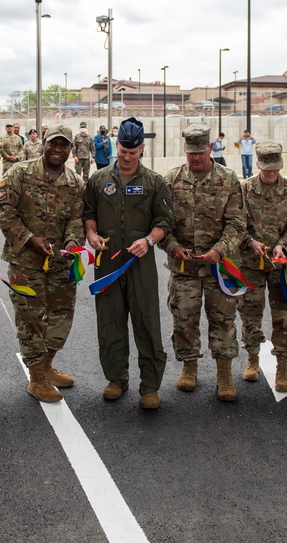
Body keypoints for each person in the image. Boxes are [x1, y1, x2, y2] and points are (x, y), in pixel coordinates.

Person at [83, 117, 174, 410]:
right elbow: (88, 213)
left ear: (141, 150)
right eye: (122, 150)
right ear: (116, 145)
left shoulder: (154, 182)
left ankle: (149, 386)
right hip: (107, 261)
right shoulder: (98, 179)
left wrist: (148, 240)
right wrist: (91, 234)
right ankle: (116, 379)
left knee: (146, 321)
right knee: (110, 321)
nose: (126, 157)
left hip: (140, 262)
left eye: (132, 153)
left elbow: (164, 221)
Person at [0, 123, 84, 403]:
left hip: (60, 262)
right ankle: (36, 378)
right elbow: (4, 210)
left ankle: (46, 365)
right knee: (30, 318)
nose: (58, 150)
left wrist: (72, 240)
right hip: (25, 260)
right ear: (43, 143)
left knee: (61, 315)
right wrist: (29, 238)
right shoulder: (19, 173)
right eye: (53, 144)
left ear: (70, 149)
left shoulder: (75, 183)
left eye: (64, 145)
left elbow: (77, 218)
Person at [162, 123, 246, 400]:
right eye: (190, 153)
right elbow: (161, 224)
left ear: (210, 148)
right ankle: (189, 366)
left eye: (200, 152)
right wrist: (172, 246)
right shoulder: (171, 180)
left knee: (223, 320)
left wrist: (220, 250)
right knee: (183, 317)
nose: (195, 158)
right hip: (184, 268)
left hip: (218, 267)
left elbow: (237, 223)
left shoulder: (229, 179)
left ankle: (224, 373)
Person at [236, 140, 287, 393]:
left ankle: (282, 368)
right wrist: (249, 241)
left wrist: (283, 246)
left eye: (275, 169)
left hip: (281, 264)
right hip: (251, 263)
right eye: (266, 170)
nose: (271, 174)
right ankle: (252, 359)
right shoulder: (244, 190)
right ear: (258, 165)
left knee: (284, 317)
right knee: (250, 313)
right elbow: (236, 223)